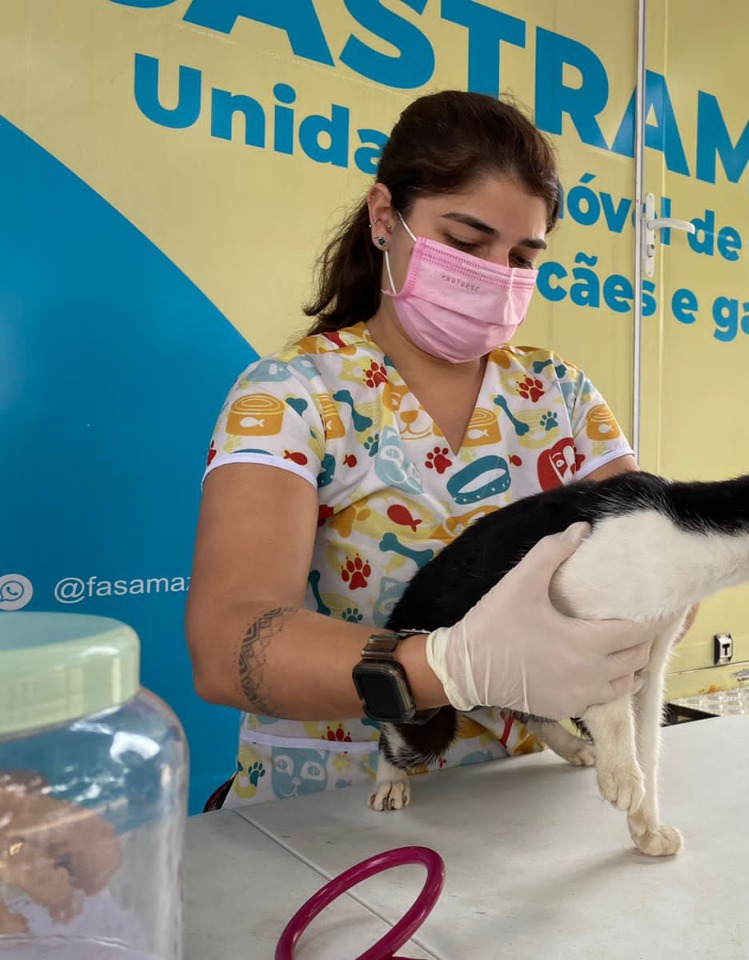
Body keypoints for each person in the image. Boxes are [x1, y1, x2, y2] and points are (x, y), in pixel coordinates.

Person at [186, 90, 658, 809]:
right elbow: (228, 644)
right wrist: (447, 664)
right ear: (385, 219)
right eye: (467, 244)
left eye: (523, 255)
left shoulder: (558, 396)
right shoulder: (290, 396)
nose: (497, 273)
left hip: (523, 803)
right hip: (329, 813)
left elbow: (653, 554)